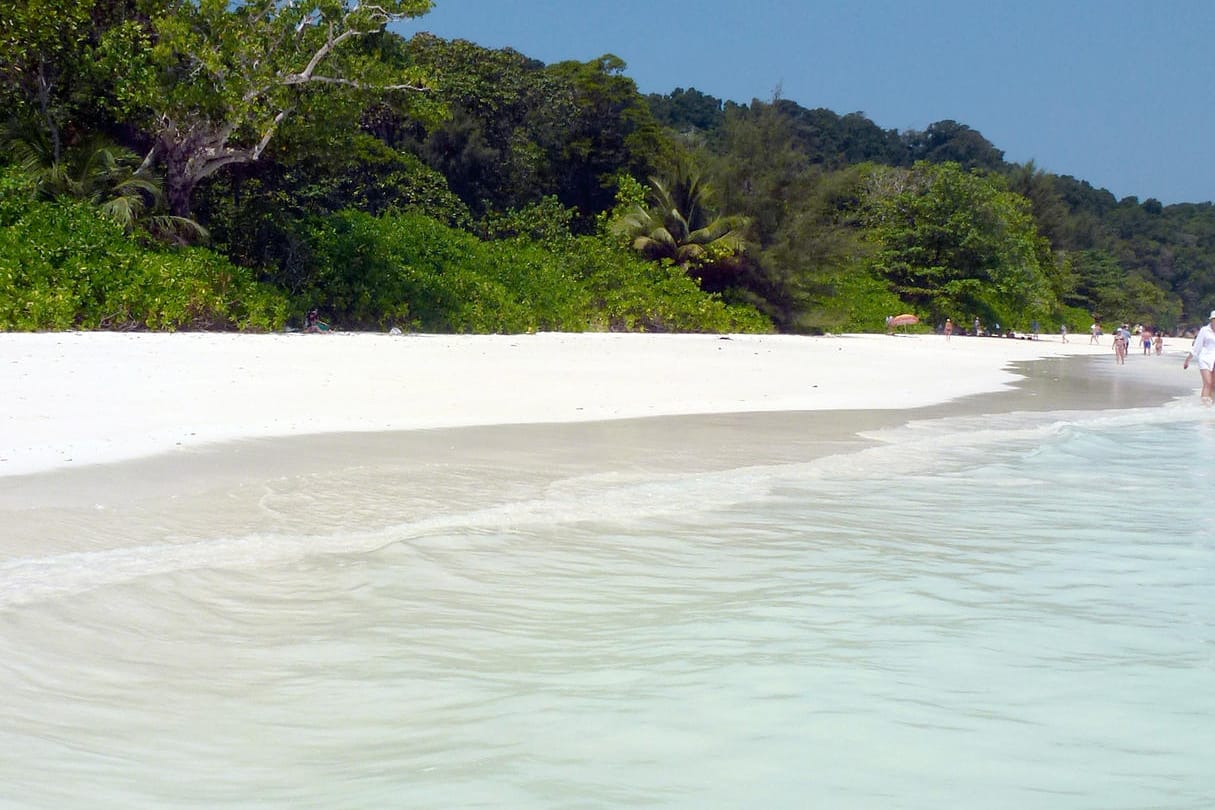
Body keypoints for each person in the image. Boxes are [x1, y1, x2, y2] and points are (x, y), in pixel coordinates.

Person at [1183, 310, 1215, 405]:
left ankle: (1211, 406)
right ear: (1211, 320)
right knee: (1208, 383)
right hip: (1205, 358)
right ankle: (1204, 406)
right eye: (1214, 320)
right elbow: (1197, 346)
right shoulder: (1205, 330)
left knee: (1213, 385)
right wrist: (1188, 359)